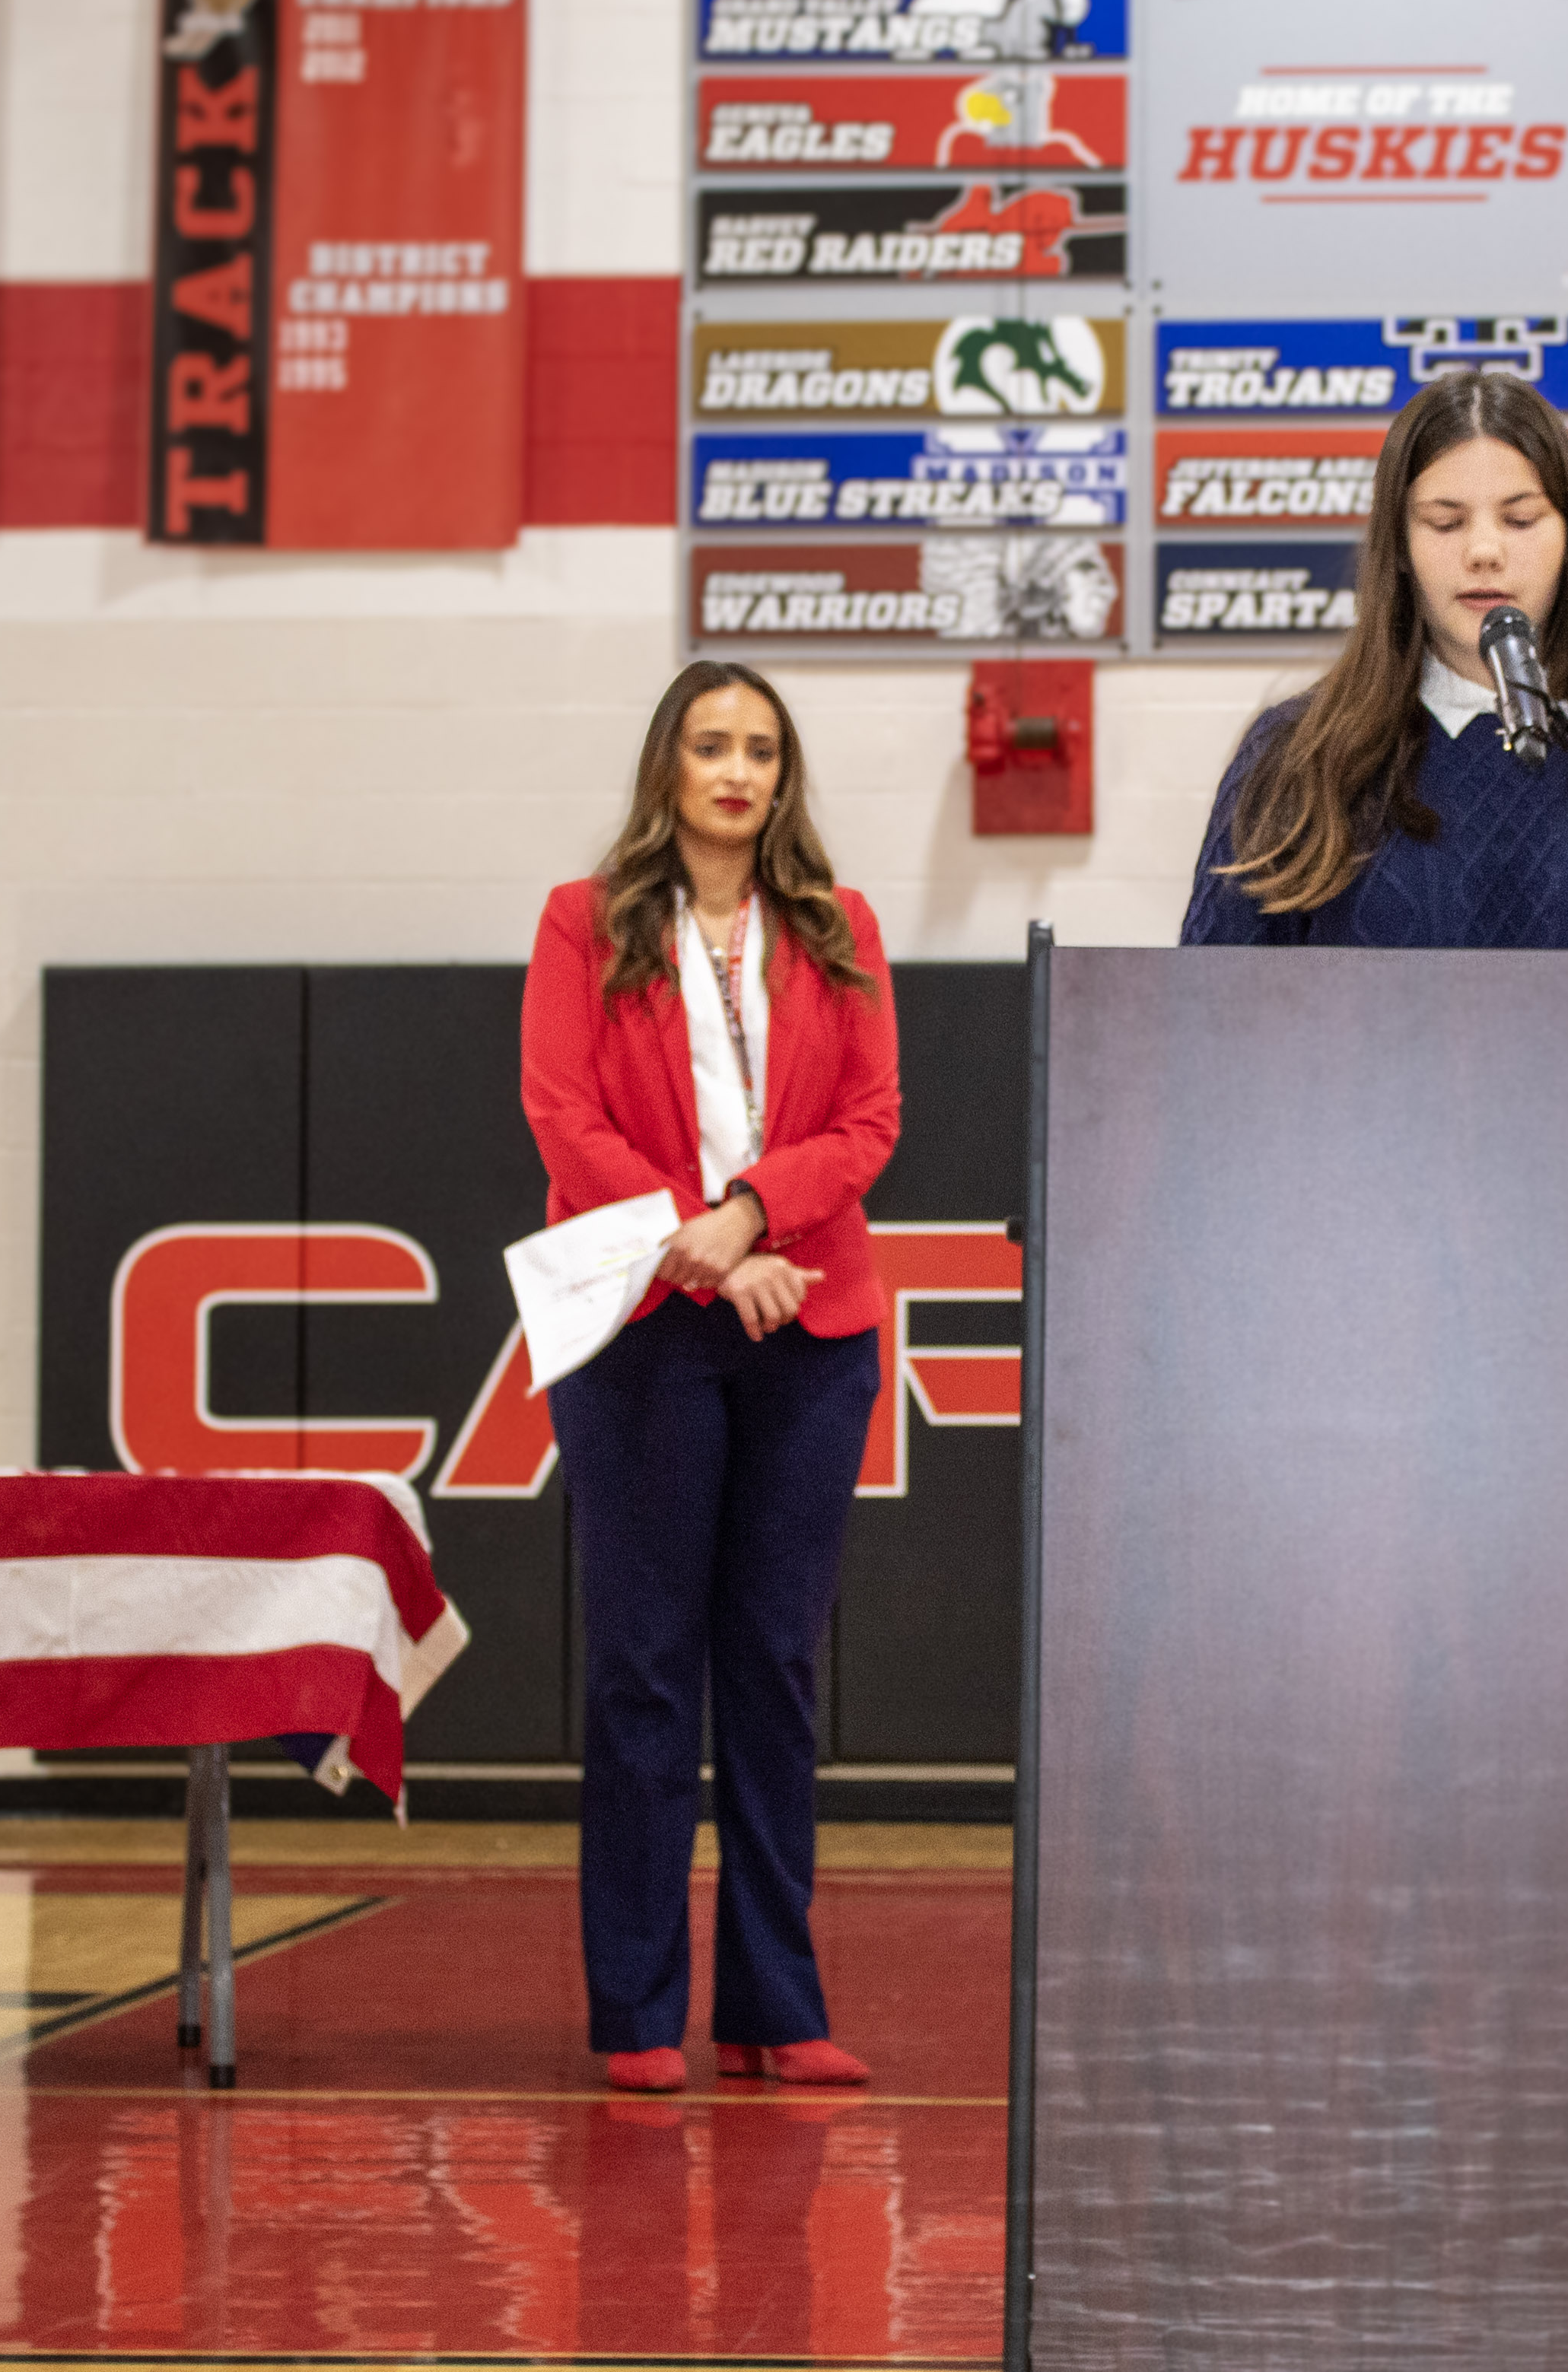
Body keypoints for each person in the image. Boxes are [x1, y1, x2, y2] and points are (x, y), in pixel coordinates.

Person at [520, 663, 902, 2098]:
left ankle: (771, 2003)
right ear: (665, 766)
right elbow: (560, 1114)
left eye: (759, 749)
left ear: (782, 777)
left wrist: (747, 1219)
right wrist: (696, 1247)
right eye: (709, 745)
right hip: (639, 1328)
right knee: (639, 1674)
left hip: (809, 1322)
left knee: (773, 1670)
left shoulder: (838, 925)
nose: (735, 770)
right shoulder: (585, 919)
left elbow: (871, 1116)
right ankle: (633, 2011)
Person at [1178, 370, 1568, 949]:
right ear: (1402, 547)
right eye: (1445, 521)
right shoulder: (1293, 753)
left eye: (1520, 519)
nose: (1484, 551)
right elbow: (1207, 1014)